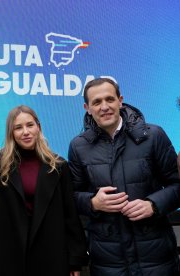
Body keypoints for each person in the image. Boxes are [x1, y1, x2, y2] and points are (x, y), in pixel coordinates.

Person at [68, 77, 180, 275]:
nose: (104, 107)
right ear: (87, 107)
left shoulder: (153, 136)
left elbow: (176, 185)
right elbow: (71, 196)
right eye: (97, 102)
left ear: (120, 100)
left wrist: (153, 205)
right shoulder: (78, 146)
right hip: (108, 261)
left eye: (109, 99)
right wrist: (93, 203)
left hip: (156, 258)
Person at [0, 105, 88, 276]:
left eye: (30, 125)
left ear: (38, 127)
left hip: (51, 256)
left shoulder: (58, 166)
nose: (25, 132)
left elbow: (70, 216)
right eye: (18, 127)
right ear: (10, 133)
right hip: (9, 257)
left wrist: (75, 261)